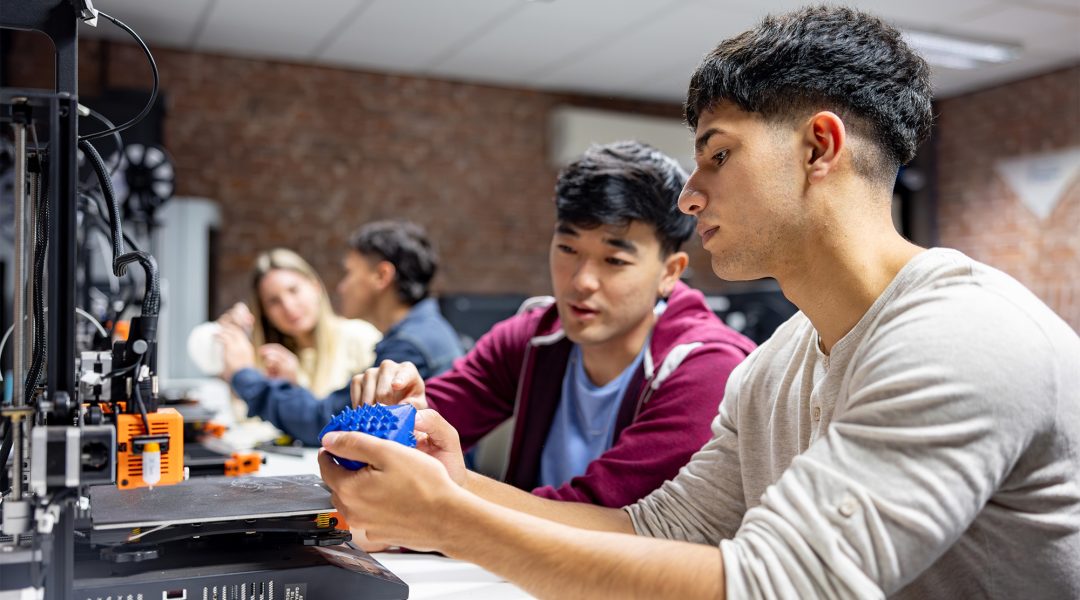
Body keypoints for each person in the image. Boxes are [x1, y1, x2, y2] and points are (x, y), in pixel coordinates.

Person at [320, 6, 1080, 599]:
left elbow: (781, 586)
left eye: (719, 154)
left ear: (819, 148)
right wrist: (456, 489)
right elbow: (661, 528)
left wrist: (452, 520)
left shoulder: (961, 335)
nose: (692, 191)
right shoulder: (776, 365)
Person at [351, 141, 755, 508]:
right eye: (567, 248)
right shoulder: (534, 336)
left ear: (670, 271)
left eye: (614, 261)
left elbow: (607, 515)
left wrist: (451, 492)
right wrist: (398, 412)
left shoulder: (708, 369)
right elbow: (431, 417)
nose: (581, 281)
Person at [222, 220, 464, 445]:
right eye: (273, 301)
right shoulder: (419, 333)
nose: (341, 286)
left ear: (381, 276)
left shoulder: (409, 345)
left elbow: (328, 422)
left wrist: (244, 375)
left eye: (349, 272)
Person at [214, 248, 381, 397]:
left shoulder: (360, 338)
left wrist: (292, 390)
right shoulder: (268, 358)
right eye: (273, 301)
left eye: (293, 290)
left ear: (316, 287)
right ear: (264, 313)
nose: (288, 306)